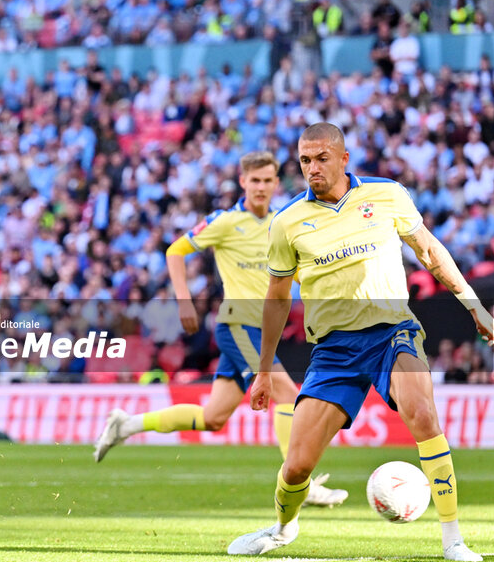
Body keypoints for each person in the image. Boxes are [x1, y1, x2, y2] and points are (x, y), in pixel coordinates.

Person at [228, 123, 494, 561]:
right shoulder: (288, 222)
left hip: (392, 331)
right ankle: (282, 530)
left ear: (343, 158)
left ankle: (453, 539)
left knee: (423, 414)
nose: (312, 168)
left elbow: (429, 251)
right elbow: (277, 299)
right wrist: (263, 370)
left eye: (320, 158)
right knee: (297, 464)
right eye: (304, 160)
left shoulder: (387, 193)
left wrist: (474, 305)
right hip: (334, 349)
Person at [93, 151, 347, 508]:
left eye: (267, 180)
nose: (260, 187)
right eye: (254, 180)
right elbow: (175, 250)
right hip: (239, 325)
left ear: (276, 183)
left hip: (262, 329)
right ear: (243, 182)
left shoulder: (283, 222)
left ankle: (126, 425)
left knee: (213, 417)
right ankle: (299, 485)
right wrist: (183, 299)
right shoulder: (226, 221)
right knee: (289, 395)